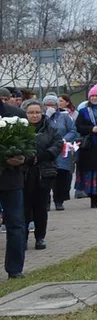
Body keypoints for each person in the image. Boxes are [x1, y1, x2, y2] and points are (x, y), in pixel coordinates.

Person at [22, 102, 62, 251]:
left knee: (40, 207)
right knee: (24, 207)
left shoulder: (50, 128)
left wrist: (42, 156)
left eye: (37, 112)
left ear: (42, 113)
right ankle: (23, 237)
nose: (34, 115)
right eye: (31, 112)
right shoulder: (20, 128)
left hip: (44, 171)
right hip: (25, 172)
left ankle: (40, 237)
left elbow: (57, 144)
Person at [0, 91, 28, 279]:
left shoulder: (16, 114)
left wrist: (22, 158)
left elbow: (28, 144)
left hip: (11, 179)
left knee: (16, 224)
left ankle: (15, 268)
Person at [43, 94, 78, 210]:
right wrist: (46, 117)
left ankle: (59, 201)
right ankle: (45, 202)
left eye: (52, 104)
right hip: (47, 150)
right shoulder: (42, 117)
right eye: (47, 105)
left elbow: (72, 131)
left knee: (61, 176)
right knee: (46, 177)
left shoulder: (64, 117)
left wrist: (64, 140)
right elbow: (40, 130)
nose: (50, 107)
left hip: (62, 150)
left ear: (57, 105)